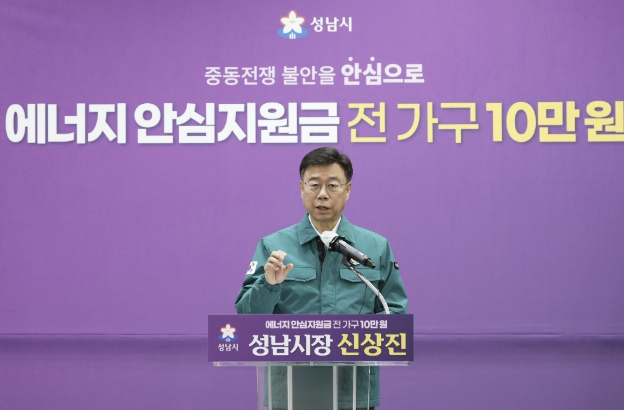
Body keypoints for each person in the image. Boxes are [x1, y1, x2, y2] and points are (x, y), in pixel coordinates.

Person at [235, 147, 408, 409]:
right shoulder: (273, 246)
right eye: (314, 185)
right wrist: (268, 284)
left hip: (354, 392)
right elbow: (247, 319)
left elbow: (394, 314)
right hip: (290, 391)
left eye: (333, 185)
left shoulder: (374, 247)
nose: (323, 194)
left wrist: (362, 337)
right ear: (301, 188)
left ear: (347, 190)